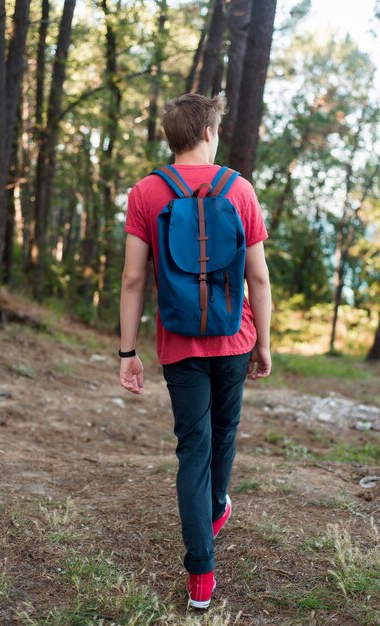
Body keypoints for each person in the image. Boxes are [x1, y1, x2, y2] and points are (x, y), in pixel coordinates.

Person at [119, 93, 272, 609]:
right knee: (224, 433)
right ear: (209, 133)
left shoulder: (146, 192)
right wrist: (264, 344)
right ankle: (216, 508)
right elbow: (259, 278)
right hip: (235, 337)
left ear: (172, 137)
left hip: (179, 343)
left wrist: (127, 352)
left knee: (193, 449)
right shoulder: (240, 190)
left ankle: (201, 576)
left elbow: (134, 277)